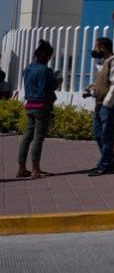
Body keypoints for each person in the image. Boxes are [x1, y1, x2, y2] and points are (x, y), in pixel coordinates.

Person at [17, 41, 59, 178]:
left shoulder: (27, 69)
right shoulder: (45, 70)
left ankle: (21, 168)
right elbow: (48, 87)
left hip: (29, 105)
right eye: (49, 56)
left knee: (27, 137)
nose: (49, 59)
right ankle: (35, 169)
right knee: (38, 138)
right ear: (45, 55)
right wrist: (57, 80)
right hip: (42, 106)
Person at [87, 37, 114, 175]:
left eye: (96, 47)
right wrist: (93, 88)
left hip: (110, 106)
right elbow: (105, 83)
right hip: (100, 104)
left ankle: (104, 164)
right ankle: (109, 161)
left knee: (106, 135)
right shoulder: (105, 63)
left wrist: (107, 104)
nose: (94, 50)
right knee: (97, 134)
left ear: (103, 47)